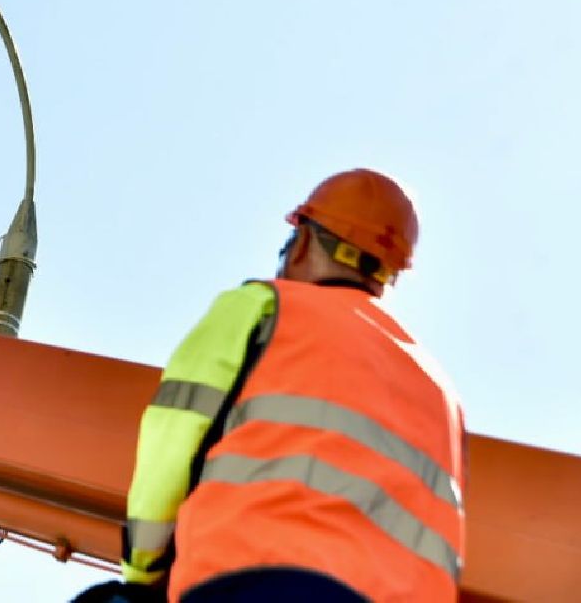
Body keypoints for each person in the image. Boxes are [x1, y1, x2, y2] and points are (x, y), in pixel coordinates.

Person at [75, 169, 465, 603]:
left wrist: (143, 571)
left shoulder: (265, 308)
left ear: (300, 244)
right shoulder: (441, 393)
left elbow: (172, 441)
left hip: (256, 585)